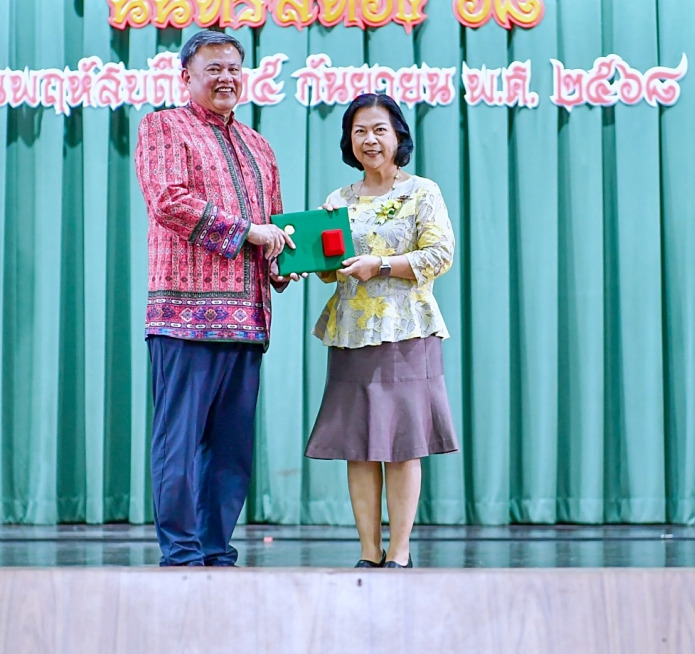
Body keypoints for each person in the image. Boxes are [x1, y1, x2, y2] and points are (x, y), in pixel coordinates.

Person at [134, 30, 298, 566]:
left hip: (248, 320)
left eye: (233, 68)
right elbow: (168, 200)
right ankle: (181, 554)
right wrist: (248, 232)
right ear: (186, 77)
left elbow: (273, 225)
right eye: (214, 69)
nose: (226, 78)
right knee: (178, 443)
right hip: (182, 319)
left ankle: (215, 551)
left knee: (231, 452)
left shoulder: (259, 146)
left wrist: (282, 265)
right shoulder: (163, 126)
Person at [304, 93, 459, 569]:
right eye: (359, 131)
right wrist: (304, 257)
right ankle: (369, 553)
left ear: (398, 137)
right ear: (349, 141)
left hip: (407, 331)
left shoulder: (422, 192)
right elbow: (329, 269)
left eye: (379, 130)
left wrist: (382, 265)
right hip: (351, 332)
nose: (369, 140)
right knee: (360, 446)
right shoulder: (338, 201)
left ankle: (400, 551)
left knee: (403, 445)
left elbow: (440, 255)